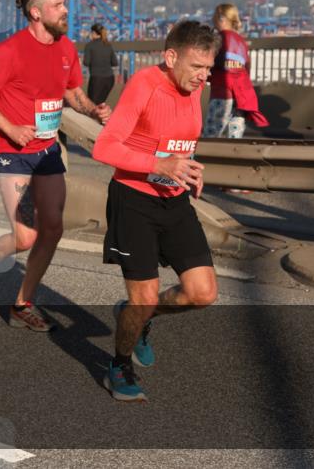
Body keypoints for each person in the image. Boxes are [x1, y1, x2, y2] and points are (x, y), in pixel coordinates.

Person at [0, 0, 111, 331]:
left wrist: (92, 110)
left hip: (45, 150)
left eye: (64, 4)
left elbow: (73, 90)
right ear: (36, 12)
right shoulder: (9, 51)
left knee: (53, 229)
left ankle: (21, 304)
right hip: (11, 150)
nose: (65, 10)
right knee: (26, 235)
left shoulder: (66, 49)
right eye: (57, 5)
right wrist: (10, 128)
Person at [92, 20, 221, 402]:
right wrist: (159, 166)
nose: (203, 75)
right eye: (197, 66)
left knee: (203, 293)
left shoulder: (197, 90)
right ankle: (119, 365)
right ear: (170, 57)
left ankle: (141, 319)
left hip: (174, 200)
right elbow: (104, 149)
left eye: (208, 67)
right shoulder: (145, 85)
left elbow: (178, 144)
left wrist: (190, 169)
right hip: (133, 200)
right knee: (143, 297)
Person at [201, 3, 267, 141]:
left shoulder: (218, 38)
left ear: (221, 18)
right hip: (241, 96)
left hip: (222, 92)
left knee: (211, 136)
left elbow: (212, 63)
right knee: (234, 138)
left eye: (214, 15)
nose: (212, 19)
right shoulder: (241, 41)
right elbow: (246, 67)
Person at [83, 23, 118, 105]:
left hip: (96, 79)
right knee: (101, 103)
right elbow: (115, 63)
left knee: (92, 105)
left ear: (94, 33)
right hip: (109, 79)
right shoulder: (108, 45)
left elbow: (86, 63)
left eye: (91, 32)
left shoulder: (89, 46)